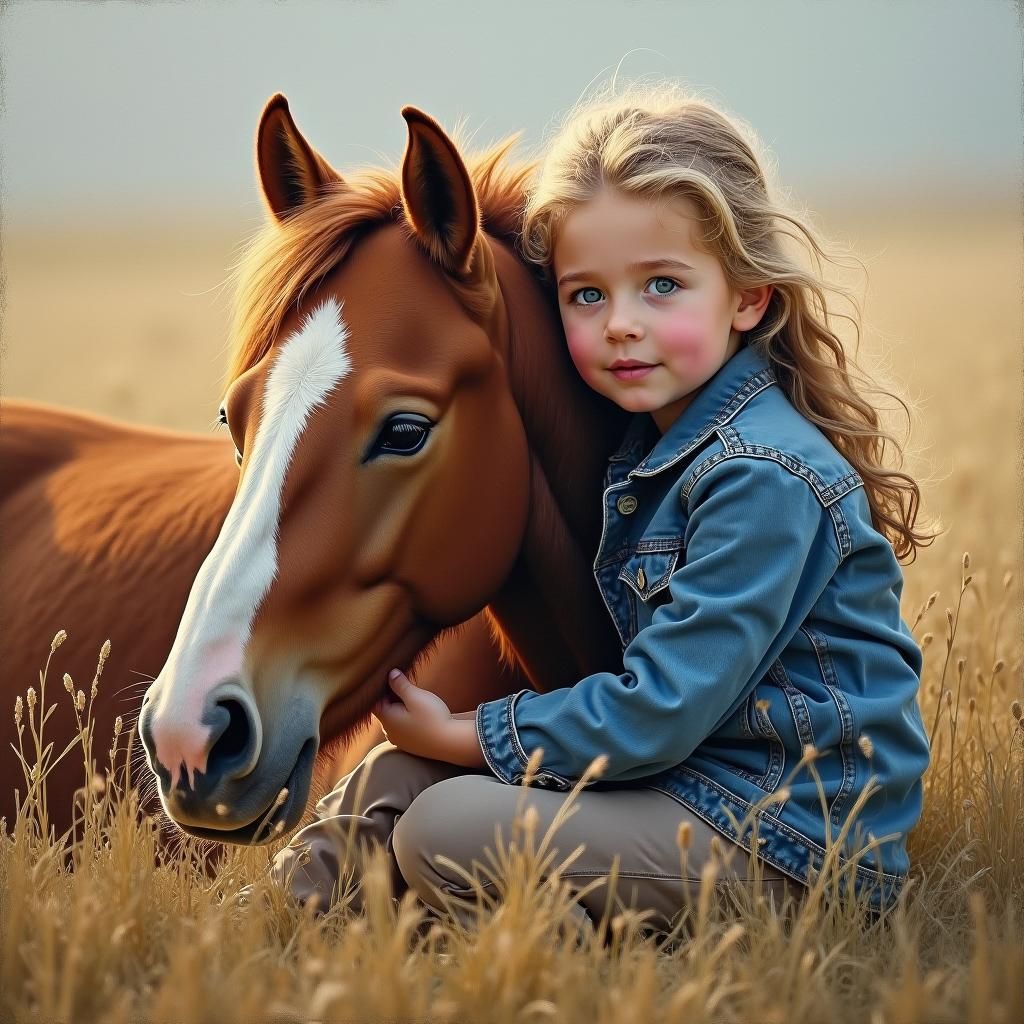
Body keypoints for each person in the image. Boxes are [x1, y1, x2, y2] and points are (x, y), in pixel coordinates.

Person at [269, 81, 936, 936]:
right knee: (391, 781)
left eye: (662, 285)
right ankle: (289, 936)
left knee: (442, 827)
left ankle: (567, 961)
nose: (621, 324)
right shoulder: (649, 447)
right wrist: (436, 747)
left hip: (785, 843)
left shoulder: (762, 474)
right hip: (684, 792)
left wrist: (472, 736)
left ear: (747, 296)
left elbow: (659, 708)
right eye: (588, 295)